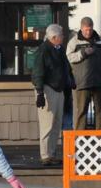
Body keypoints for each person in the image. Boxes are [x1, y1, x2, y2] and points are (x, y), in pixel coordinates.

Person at [31, 23, 72, 165]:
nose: (63, 37)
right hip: (48, 89)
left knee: (56, 123)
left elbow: (65, 67)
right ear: (54, 37)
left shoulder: (59, 49)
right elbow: (37, 72)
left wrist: (70, 80)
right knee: (47, 124)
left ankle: (52, 153)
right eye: (61, 35)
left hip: (59, 89)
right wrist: (40, 92)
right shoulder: (43, 51)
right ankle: (45, 155)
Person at [67, 17, 101, 131]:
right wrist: (83, 53)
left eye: (90, 29)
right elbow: (69, 58)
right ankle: (80, 138)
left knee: (100, 111)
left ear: (93, 27)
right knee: (81, 111)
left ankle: (99, 137)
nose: (88, 32)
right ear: (81, 28)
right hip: (82, 83)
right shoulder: (74, 42)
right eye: (86, 30)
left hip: (99, 81)